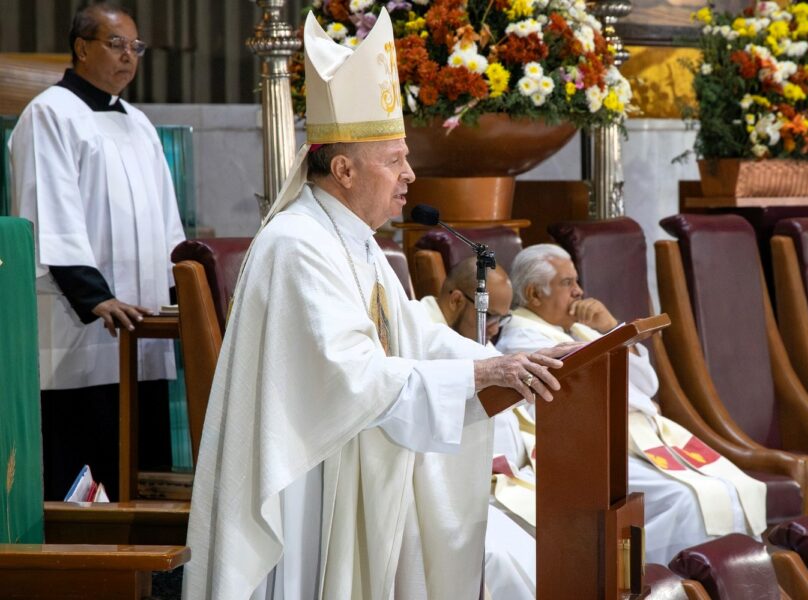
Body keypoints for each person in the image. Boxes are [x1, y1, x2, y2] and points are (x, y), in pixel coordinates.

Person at [183, 10, 565, 600]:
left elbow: (412, 335)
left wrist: (514, 360)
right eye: (394, 160)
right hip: (312, 487)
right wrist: (479, 373)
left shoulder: (356, 240)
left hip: (360, 468)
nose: (410, 174)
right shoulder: (297, 245)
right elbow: (351, 375)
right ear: (342, 168)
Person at [8, 2, 185, 500]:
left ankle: (150, 571)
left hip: (144, 335)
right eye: (115, 44)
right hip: (80, 330)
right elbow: (48, 213)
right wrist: (95, 298)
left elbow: (168, 227)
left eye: (136, 46)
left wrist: (182, 301)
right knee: (85, 468)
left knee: (142, 471)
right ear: (82, 47)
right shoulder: (49, 114)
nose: (128, 56)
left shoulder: (140, 124)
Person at [497, 244, 770, 566]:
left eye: (576, 281)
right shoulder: (522, 341)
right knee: (687, 499)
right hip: (594, 446)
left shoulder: (577, 329)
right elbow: (559, 408)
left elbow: (645, 384)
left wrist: (611, 327)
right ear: (533, 293)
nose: (579, 291)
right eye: (566, 283)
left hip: (635, 437)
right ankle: (672, 583)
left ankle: (727, 583)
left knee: (733, 487)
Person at [419, 257, 537, 600]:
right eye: (492, 316)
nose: (497, 328)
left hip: (495, 477)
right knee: (502, 560)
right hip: (446, 486)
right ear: (456, 300)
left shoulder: (473, 339)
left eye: (503, 317)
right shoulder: (421, 329)